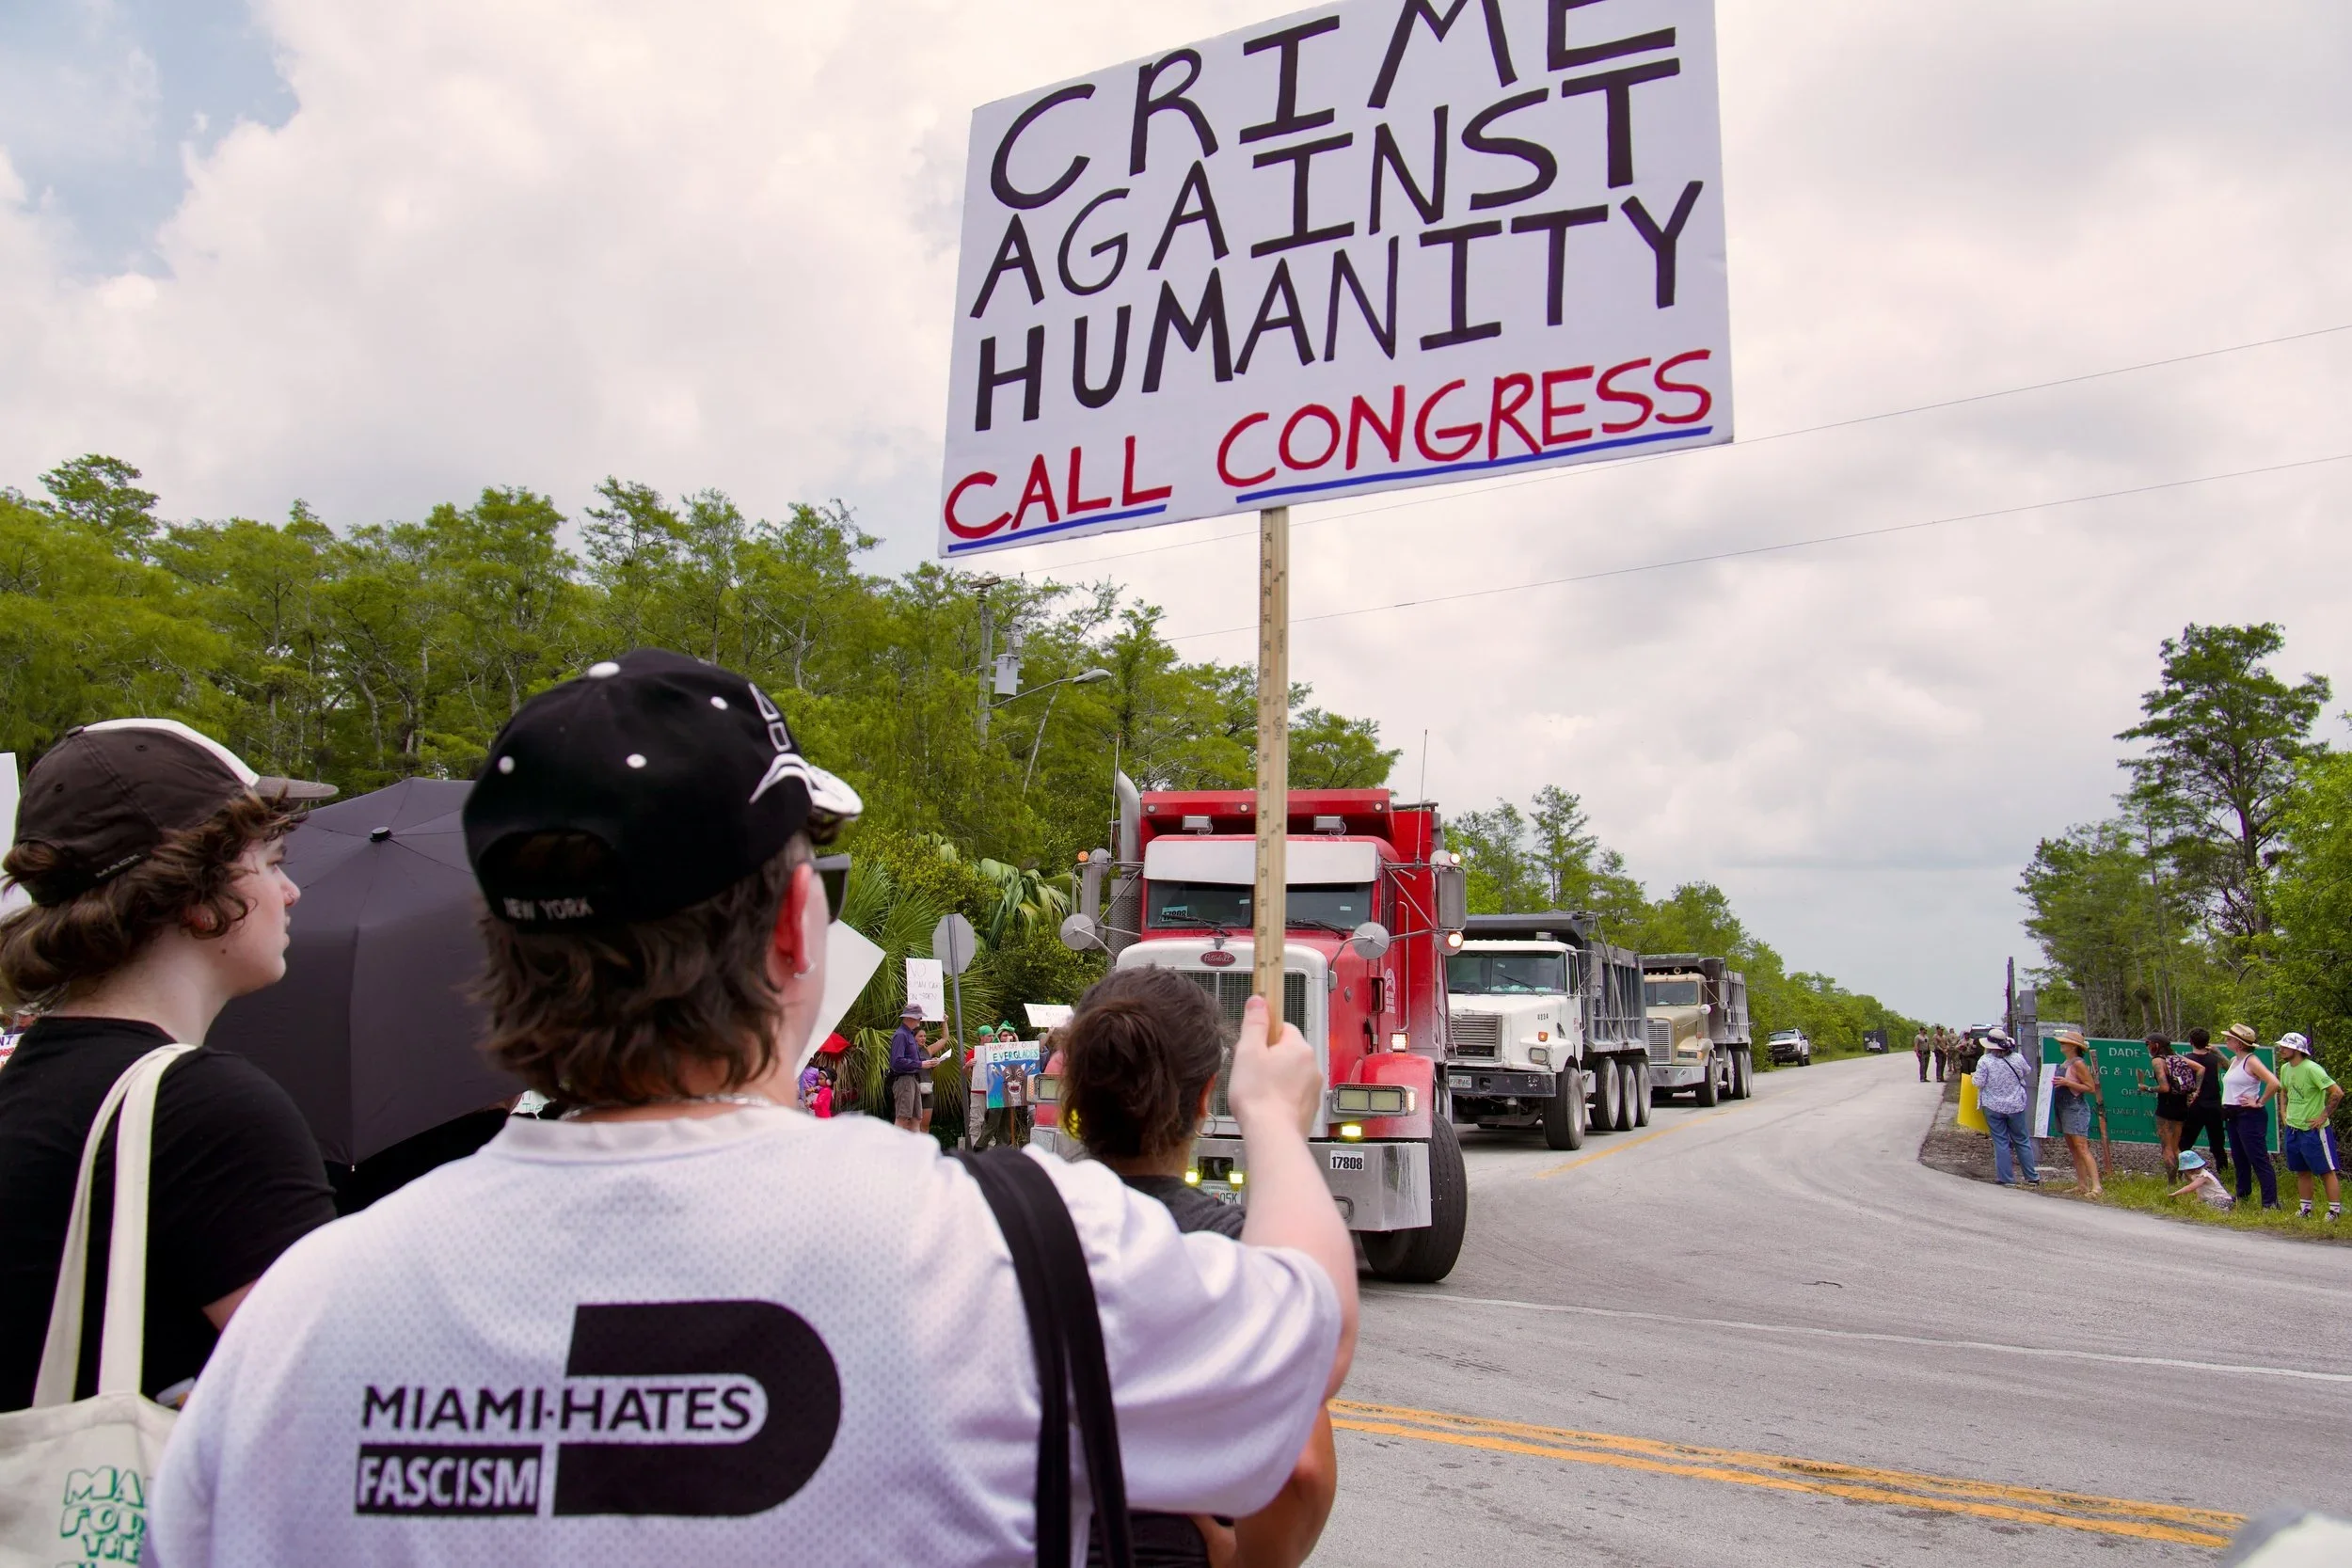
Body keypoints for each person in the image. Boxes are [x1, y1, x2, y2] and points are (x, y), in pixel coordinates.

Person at [152, 649, 1355, 1565]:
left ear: (503, 954)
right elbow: (1303, 1343)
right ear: (791, 928)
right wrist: (1272, 1119)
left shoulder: (300, 1314)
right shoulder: (1010, 1249)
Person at [0, 719, 340, 1414]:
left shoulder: (25, 1088)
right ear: (199, 897)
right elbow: (337, 1396)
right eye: (272, 862)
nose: (291, 892)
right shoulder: (204, 1112)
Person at [1060, 966, 1337, 1568]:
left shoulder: (1003, 1226)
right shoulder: (1238, 1253)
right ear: (1209, 1095)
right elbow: (1304, 1472)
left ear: (1074, 1089)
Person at [2274, 1033, 2342, 1222]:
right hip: (2293, 1128)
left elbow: (2337, 1093)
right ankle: (2305, 1209)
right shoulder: (2285, 1068)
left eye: (2286, 1047)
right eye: (2281, 1046)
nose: (2281, 1049)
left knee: (2326, 1170)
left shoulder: (2312, 1069)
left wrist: (2323, 1116)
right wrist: (2283, 1112)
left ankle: (2334, 1211)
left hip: (2313, 1130)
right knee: (2301, 1170)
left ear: (2297, 1050)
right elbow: (2284, 1090)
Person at [2219, 1022, 2281, 1210]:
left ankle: (2270, 1202)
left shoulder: (2251, 1061)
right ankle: (2242, 1195)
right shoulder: (2235, 1060)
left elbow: (2274, 1082)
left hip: (2249, 1115)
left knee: (2258, 1157)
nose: (2226, 1040)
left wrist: (2260, 1102)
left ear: (2239, 1043)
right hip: (2232, 1114)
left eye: (2230, 1038)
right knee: (2239, 1157)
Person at [1971, 1028, 2040, 1187]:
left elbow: (1978, 1083)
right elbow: (2027, 1071)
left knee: (2001, 1141)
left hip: (1993, 1105)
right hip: (2015, 1105)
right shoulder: (2017, 1058)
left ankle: (2006, 1178)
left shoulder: (1985, 1061)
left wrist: (1975, 1076)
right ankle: (2032, 1176)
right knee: (2022, 1140)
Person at [2051, 1031, 2102, 1198]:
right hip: (2063, 1107)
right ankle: (2082, 1184)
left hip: (2075, 1107)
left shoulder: (2078, 1063)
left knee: (2082, 1147)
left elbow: (2090, 1087)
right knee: (2073, 1148)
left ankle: (2096, 1186)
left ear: (2073, 1046)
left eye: (2064, 1043)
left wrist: (2067, 1082)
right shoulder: (2066, 1062)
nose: (2061, 1045)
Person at [2177, 1026, 2231, 1175]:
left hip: (2194, 1105)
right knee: (2218, 1144)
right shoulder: (2214, 1059)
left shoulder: (2186, 1059)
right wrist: (2217, 1051)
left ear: (2190, 1042)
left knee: (2185, 1142)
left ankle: (2180, 1173)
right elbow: (2229, 1067)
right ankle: (2225, 1174)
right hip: (2214, 1105)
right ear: (2207, 1042)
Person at [2146, 1035, 2201, 1176]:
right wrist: (2196, 1090)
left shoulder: (2158, 1061)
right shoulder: (2177, 1057)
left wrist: (2148, 1088)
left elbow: (2165, 1087)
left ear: (2156, 1045)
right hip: (2181, 1105)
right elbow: (2200, 1068)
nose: (2147, 1047)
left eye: (2148, 1043)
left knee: (2167, 1147)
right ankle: (2189, 1178)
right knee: (2176, 1146)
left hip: (2166, 1106)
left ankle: (2172, 1181)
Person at [885, 1000, 929, 1131]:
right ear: (911, 1018)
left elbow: (911, 1058)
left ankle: (915, 1143)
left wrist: (927, 1062)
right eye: (918, 1017)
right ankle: (896, 1142)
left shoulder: (909, 1034)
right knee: (902, 1117)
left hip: (912, 1079)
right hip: (904, 1079)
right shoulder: (901, 1035)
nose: (919, 1021)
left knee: (916, 1117)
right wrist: (920, 1064)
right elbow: (897, 1061)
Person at [2169, 1149, 2233, 1211]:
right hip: (2212, 1199)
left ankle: (2223, 1211)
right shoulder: (2197, 1176)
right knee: (2199, 1206)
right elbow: (2199, 1190)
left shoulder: (2203, 1176)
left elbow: (2190, 1188)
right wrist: (2198, 1200)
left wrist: (2175, 1194)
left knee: (2205, 1207)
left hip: (2223, 1200)